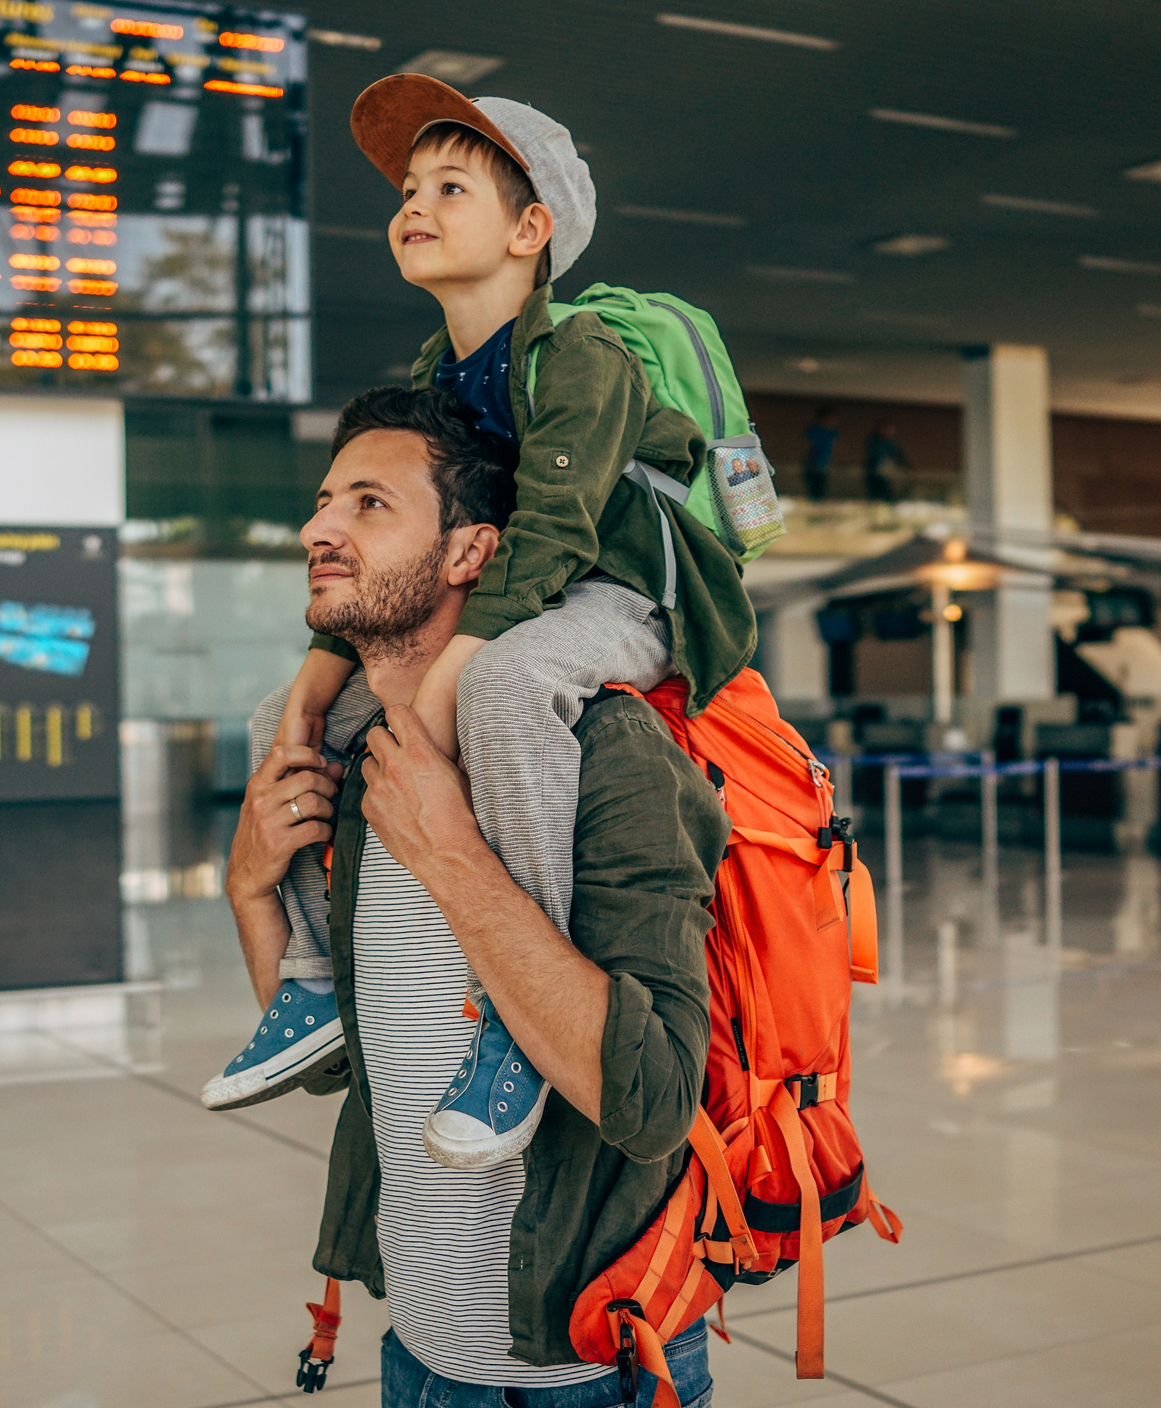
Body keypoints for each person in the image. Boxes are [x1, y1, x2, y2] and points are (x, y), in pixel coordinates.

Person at [201, 77, 755, 1171]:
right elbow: (434, 545)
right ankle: (312, 984)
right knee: (282, 705)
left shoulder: (582, 356)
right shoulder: (434, 375)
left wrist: (444, 676)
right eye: (409, 188)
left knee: (502, 687)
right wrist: (313, 694)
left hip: (630, 593)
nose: (414, 202)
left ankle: (515, 1006)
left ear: (530, 229)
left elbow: (544, 536)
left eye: (450, 185)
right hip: (527, 599)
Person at [225, 387, 727, 1406]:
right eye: (325, 501)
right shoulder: (356, 757)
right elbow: (347, 1071)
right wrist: (249, 891)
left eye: (370, 504)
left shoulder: (604, 753)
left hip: (591, 1374)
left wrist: (453, 854)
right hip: (416, 1358)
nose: (318, 528)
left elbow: (654, 1098)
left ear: (470, 553)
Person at [863, 420, 911, 502]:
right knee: (878, 496)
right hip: (876, 475)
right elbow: (876, 459)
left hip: (886, 476)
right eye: (889, 429)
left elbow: (899, 454)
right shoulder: (875, 441)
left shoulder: (891, 442)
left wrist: (906, 465)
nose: (892, 432)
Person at [802, 405, 838, 501]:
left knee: (822, 490)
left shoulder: (832, 433)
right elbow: (806, 447)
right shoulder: (813, 431)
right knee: (814, 490)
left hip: (825, 466)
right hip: (813, 466)